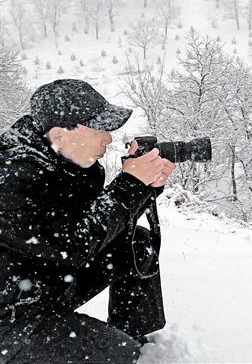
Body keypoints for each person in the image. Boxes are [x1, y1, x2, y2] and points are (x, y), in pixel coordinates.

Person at [0, 79, 176, 363]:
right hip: (11, 317)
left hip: (50, 281)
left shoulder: (73, 162)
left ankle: (138, 338)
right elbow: (73, 245)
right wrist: (129, 185)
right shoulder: (11, 180)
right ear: (59, 135)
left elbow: (97, 225)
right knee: (118, 355)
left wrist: (145, 185)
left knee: (137, 244)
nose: (108, 138)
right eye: (100, 129)